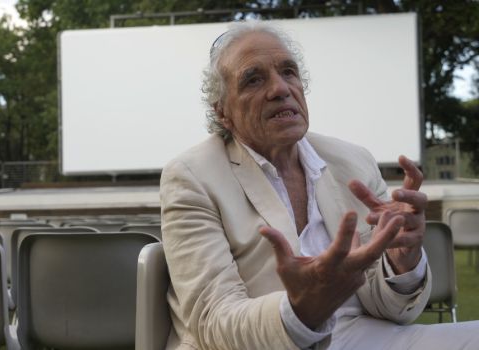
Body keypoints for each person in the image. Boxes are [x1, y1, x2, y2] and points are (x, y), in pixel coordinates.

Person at [159, 21, 479, 350]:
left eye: (288, 72)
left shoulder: (353, 160)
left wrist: (401, 259)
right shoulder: (191, 176)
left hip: (362, 337)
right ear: (222, 113)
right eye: (253, 79)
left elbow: (392, 309)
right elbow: (214, 322)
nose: (279, 89)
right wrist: (303, 309)